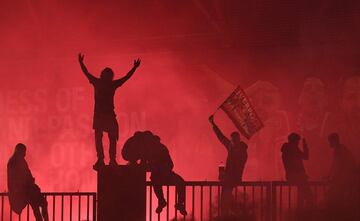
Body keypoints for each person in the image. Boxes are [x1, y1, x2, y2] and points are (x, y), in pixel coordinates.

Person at [78, 53, 141, 170]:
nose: (107, 76)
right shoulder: (103, 83)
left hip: (107, 115)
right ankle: (103, 159)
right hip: (101, 116)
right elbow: (87, 73)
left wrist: (134, 68)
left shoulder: (105, 83)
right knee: (101, 137)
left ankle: (110, 159)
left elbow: (126, 77)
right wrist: (81, 63)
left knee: (109, 137)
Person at [122, 131, 187, 216]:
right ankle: (168, 201)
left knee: (165, 181)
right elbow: (146, 163)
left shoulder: (157, 149)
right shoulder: (151, 148)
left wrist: (144, 165)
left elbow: (167, 164)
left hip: (164, 173)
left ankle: (172, 202)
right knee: (178, 182)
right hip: (163, 173)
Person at [208, 115, 248, 214]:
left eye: (234, 140)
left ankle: (228, 215)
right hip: (228, 178)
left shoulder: (242, 151)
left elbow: (238, 166)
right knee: (225, 199)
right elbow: (221, 137)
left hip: (233, 178)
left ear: (238, 140)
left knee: (226, 199)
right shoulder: (232, 147)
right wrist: (213, 124)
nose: (233, 142)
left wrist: (226, 175)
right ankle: (227, 214)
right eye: (232, 140)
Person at [7, 143, 49, 221]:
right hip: (22, 192)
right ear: (19, 151)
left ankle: (42, 219)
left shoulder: (18, 161)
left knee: (39, 204)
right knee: (38, 204)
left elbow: (26, 176)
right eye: (24, 152)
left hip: (26, 191)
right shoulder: (14, 162)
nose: (25, 154)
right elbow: (17, 179)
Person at [325, 133, 357, 220]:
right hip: (344, 179)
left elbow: (338, 166)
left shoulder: (339, 150)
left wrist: (333, 177)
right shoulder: (340, 149)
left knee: (334, 199)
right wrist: (329, 175)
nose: (329, 143)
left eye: (330, 141)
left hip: (344, 180)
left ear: (334, 141)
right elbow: (335, 165)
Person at [281, 133, 312, 209]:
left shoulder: (288, 149)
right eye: (297, 141)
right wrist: (305, 146)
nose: (298, 143)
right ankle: (303, 212)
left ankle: (300, 212)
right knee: (308, 195)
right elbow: (305, 157)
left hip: (293, 176)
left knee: (303, 195)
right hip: (297, 177)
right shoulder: (293, 149)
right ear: (294, 141)